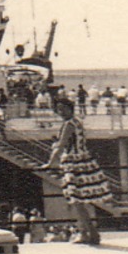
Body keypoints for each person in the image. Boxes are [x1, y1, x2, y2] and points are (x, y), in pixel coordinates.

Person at [43, 98, 110, 245]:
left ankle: (89, 233)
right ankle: (88, 232)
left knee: (76, 200)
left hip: (73, 162)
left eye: (63, 108)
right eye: (58, 109)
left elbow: (61, 145)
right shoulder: (77, 121)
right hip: (83, 160)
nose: (61, 112)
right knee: (79, 200)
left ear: (69, 108)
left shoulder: (68, 124)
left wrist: (50, 163)